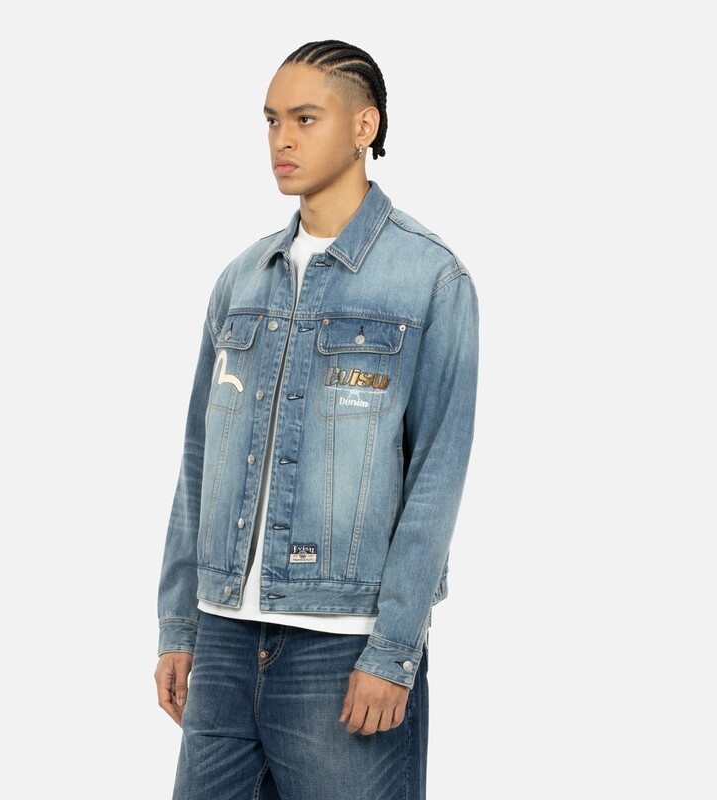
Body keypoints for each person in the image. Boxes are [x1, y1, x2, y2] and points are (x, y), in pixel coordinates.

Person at [154, 39, 479, 800]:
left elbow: (437, 475)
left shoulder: (430, 279)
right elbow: (199, 458)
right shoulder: (241, 280)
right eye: (271, 120)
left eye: (305, 118)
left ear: (365, 126)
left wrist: (392, 649)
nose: (283, 140)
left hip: (341, 649)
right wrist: (180, 625)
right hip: (223, 640)